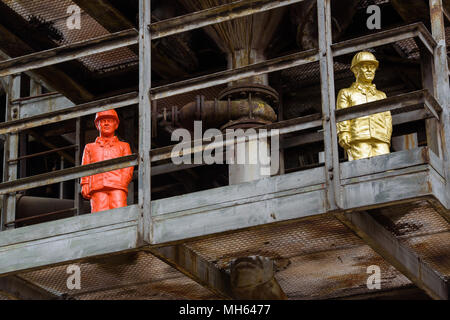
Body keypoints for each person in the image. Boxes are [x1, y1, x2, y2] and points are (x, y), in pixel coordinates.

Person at [336, 51, 392, 161]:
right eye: (365, 67)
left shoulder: (381, 95)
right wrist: (344, 133)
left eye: (372, 67)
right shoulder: (346, 93)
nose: (370, 70)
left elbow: (387, 118)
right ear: (356, 70)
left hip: (381, 139)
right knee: (361, 170)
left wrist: (386, 137)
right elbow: (342, 115)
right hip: (358, 138)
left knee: (386, 169)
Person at [80, 109, 134, 213]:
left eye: (109, 120)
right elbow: (85, 167)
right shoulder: (89, 147)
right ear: (97, 125)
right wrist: (85, 184)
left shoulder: (124, 146)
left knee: (119, 212)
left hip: (117, 185)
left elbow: (128, 167)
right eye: (103, 121)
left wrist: (123, 181)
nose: (106, 123)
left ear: (116, 125)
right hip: (97, 186)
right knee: (98, 213)